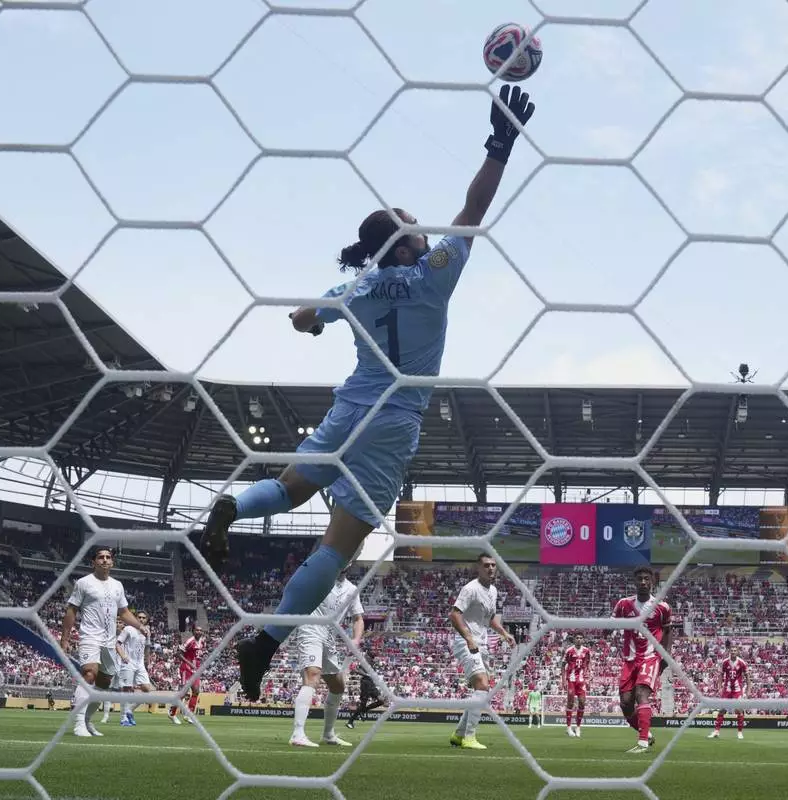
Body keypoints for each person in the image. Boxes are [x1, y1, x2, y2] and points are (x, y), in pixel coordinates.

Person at [194, 85, 538, 702]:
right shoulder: (432, 276)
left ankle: (232, 508)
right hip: (394, 417)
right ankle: (266, 641)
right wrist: (501, 142)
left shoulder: (358, 288)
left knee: (291, 486)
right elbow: (473, 208)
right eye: (413, 224)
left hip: (350, 405)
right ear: (405, 243)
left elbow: (302, 318)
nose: (425, 229)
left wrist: (320, 311)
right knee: (340, 545)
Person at [58, 546, 148, 738]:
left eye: (108, 557)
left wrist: (140, 627)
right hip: (90, 636)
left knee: (104, 684)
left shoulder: (118, 586)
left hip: (110, 641)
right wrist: (64, 639)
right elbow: (71, 611)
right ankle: (78, 723)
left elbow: (124, 612)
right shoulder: (83, 583)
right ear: (93, 562)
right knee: (89, 674)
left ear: (112, 562)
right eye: (100, 557)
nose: (105, 560)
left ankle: (88, 721)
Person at [289, 567, 363, 747]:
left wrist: (356, 639)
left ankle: (328, 734)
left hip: (330, 636)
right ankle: (297, 734)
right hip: (310, 628)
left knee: (338, 685)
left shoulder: (352, 589)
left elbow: (358, 618)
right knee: (313, 674)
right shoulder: (319, 575)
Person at [448, 554, 516, 750]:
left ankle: (458, 735)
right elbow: (455, 614)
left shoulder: (493, 591)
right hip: (467, 642)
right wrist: (469, 638)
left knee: (482, 691)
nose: (491, 568)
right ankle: (469, 737)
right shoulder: (470, 589)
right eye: (486, 565)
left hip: (482, 644)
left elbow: (490, 617)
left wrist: (504, 633)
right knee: (482, 686)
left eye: (494, 565)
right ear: (478, 568)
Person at [613, 566, 672, 754]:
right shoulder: (623, 604)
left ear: (652, 582)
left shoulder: (661, 607)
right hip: (629, 659)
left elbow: (668, 631)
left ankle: (643, 743)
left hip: (650, 656)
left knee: (641, 694)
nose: (643, 582)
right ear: (635, 582)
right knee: (625, 702)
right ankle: (646, 732)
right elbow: (611, 623)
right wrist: (606, 628)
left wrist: (665, 655)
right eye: (640, 579)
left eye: (647, 579)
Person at [117, 610, 153, 726]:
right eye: (139, 617)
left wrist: (147, 661)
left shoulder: (147, 631)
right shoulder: (128, 629)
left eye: (144, 618)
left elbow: (147, 646)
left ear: (147, 620)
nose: (141, 619)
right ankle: (123, 719)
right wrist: (123, 656)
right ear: (135, 618)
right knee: (126, 690)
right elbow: (117, 644)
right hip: (128, 662)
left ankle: (129, 710)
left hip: (140, 664)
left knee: (147, 689)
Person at [708, 641, 749, 740]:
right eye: (732, 651)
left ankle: (739, 732)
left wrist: (748, 691)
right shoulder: (725, 662)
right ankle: (716, 731)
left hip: (737, 690)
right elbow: (721, 675)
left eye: (735, 650)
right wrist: (719, 687)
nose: (733, 652)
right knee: (722, 710)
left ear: (738, 652)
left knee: (739, 710)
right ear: (729, 651)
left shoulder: (742, 663)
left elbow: (748, 677)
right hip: (727, 689)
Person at [169, 626, 205, 724]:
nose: (199, 631)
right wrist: (189, 663)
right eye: (197, 630)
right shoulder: (190, 641)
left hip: (195, 670)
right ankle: (171, 713)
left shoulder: (202, 641)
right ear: (193, 631)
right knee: (184, 693)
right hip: (186, 668)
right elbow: (178, 654)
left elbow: (197, 655)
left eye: (200, 630)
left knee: (196, 691)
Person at [561, 635, 591, 737]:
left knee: (582, 703)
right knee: (570, 702)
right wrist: (563, 680)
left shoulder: (586, 651)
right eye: (577, 637)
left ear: (583, 639)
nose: (579, 639)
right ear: (574, 639)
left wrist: (588, 677)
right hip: (571, 679)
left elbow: (588, 663)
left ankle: (578, 727)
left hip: (581, 680)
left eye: (580, 638)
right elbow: (562, 665)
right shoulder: (569, 650)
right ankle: (568, 728)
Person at [345, 657, 386, 729]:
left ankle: (363, 711)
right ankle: (350, 721)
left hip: (372, 684)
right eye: (375, 658)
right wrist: (366, 675)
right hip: (365, 683)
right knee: (362, 704)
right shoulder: (364, 663)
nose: (377, 660)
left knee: (381, 700)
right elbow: (356, 670)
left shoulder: (373, 665)